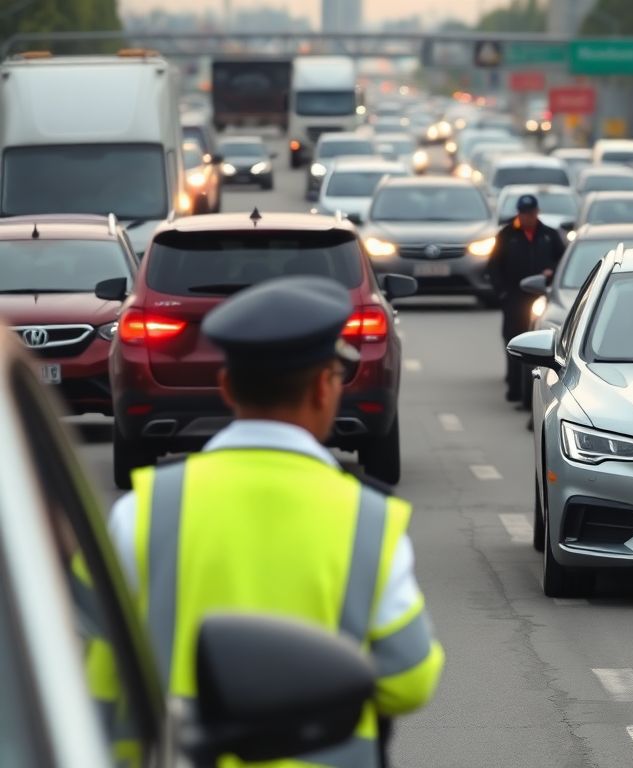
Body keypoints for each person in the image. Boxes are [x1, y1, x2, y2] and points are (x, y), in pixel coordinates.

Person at [106, 276, 443, 768]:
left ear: (226, 387)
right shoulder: (368, 520)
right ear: (325, 389)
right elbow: (410, 678)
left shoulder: (142, 508)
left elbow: (94, 674)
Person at [487, 193, 566, 404]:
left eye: (530, 214)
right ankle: (515, 387)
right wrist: (502, 293)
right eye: (523, 213)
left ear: (537, 213)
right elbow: (493, 265)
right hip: (514, 297)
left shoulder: (548, 235)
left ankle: (535, 390)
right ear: (518, 214)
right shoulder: (506, 235)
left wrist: (552, 273)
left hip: (541, 298)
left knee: (540, 344)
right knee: (515, 340)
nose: (527, 218)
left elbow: (563, 262)